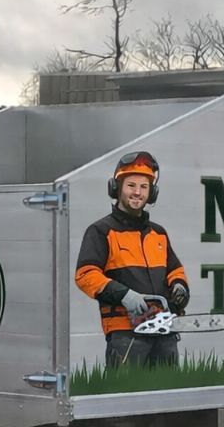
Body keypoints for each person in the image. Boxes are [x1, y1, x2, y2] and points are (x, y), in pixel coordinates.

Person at [73, 150, 189, 368]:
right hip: (125, 334)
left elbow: (175, 270)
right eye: (131, 185)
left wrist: (180, 286)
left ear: (151, 192)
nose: (137, 192)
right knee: (123, 394)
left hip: (164, 331)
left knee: (169, 394)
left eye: (144, 187)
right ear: (117, 189)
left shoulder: (158, 234)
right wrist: (124, 295)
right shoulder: (102, 231)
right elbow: (85, 275)